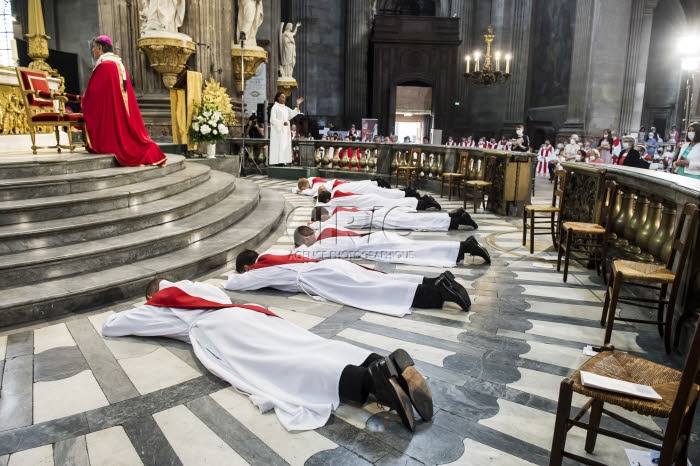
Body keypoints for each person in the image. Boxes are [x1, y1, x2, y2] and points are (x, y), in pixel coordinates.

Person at [102, 278, 432, 432]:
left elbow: (114, 325)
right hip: (253, 313)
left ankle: (370, 382)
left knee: (282, 367)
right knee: (309, 345)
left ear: (154, 295)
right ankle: (380, 362)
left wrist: (147, 304)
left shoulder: (164, 305)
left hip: (223, 329)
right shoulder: (199, 286)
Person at [228, 249, 473, 314]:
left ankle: (437, 293)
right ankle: (436, 281)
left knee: (371, 290)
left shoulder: (260, 267)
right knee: (378, 277)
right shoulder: (274, 255)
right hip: (326, 266)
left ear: (247, 267)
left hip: (319, 277)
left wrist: (238, 276)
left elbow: (235, 284)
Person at [82, 36, 166, 167]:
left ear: (100, 48)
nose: (93, 51)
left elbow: (94, 93)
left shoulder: (105, 66)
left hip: (110, 111)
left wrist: (83, 100)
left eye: (93, 48)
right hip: (119, 109)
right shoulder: (118, 64)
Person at [293, 224, 490, 267]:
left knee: (417, 252)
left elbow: (308, 254)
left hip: (374, 245)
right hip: (376, 239)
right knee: (417, 249)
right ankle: (462, 247)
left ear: (306, 238)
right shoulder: (327, 229)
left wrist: (298, 248)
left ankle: (463, 247)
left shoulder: (324, 241)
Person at [308, 205, 478, 232]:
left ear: (323, 217)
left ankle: (456, 220)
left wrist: (313, 224)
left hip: (380, 219)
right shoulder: (338, 212)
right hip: (379, 214)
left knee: (417, 222)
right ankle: (455, 216)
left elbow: (324, 226)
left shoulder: (335, 218)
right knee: (418, 219)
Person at [269, 92, 303, 165]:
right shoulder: (275, 107)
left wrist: (297, 104)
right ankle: (277, 162)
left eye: (284, 97)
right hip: (278, 131)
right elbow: (272, 119)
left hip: (285, 131)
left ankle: (283, 162)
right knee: (279, 146)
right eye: (282, 97)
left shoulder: (285, 108)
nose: (284, 99)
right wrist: (282, 123)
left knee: (284, 146)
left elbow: (294, 112)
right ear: (278, 98)